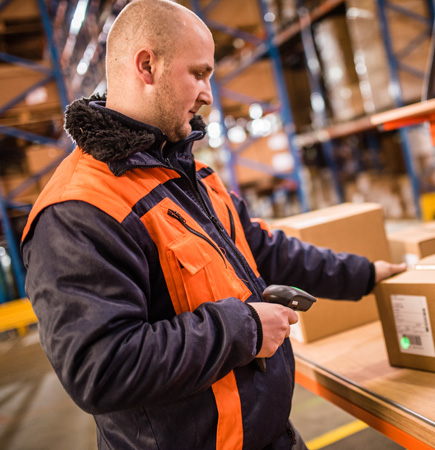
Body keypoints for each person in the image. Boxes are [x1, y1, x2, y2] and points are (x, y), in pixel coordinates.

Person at [20, 1, 406, 449]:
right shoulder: (78, 211)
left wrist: (366, 274)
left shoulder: (190, 176)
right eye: (199, 74)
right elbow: (102, 368)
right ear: (147, 66)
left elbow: (265, 250)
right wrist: (246, 328)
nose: (208, 94)